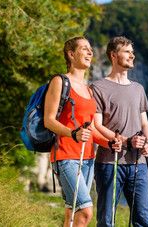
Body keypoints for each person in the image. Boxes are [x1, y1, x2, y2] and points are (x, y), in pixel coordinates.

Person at [44, 36, 121, 227]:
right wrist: (72, 134)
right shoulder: (59, 82)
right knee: (86, 211)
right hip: (66, 155)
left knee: (72, 212)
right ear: (71, 55)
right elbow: (49, 120)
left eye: (90, 49)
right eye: (84, 49)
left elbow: (92, 129)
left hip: (87, 158)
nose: (90, 52)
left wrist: (109, 143)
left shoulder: (88, 89)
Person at [90, 36, 148, 227]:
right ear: (113, 55)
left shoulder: (138, 88)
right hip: (109, 163)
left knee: (143, 220)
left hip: (138, 164)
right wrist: (126, 141)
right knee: (107, 220)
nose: (132, 55)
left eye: (132, 52)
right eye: (127, 51)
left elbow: (145, 124)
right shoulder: (98, 87)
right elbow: (97, 125)